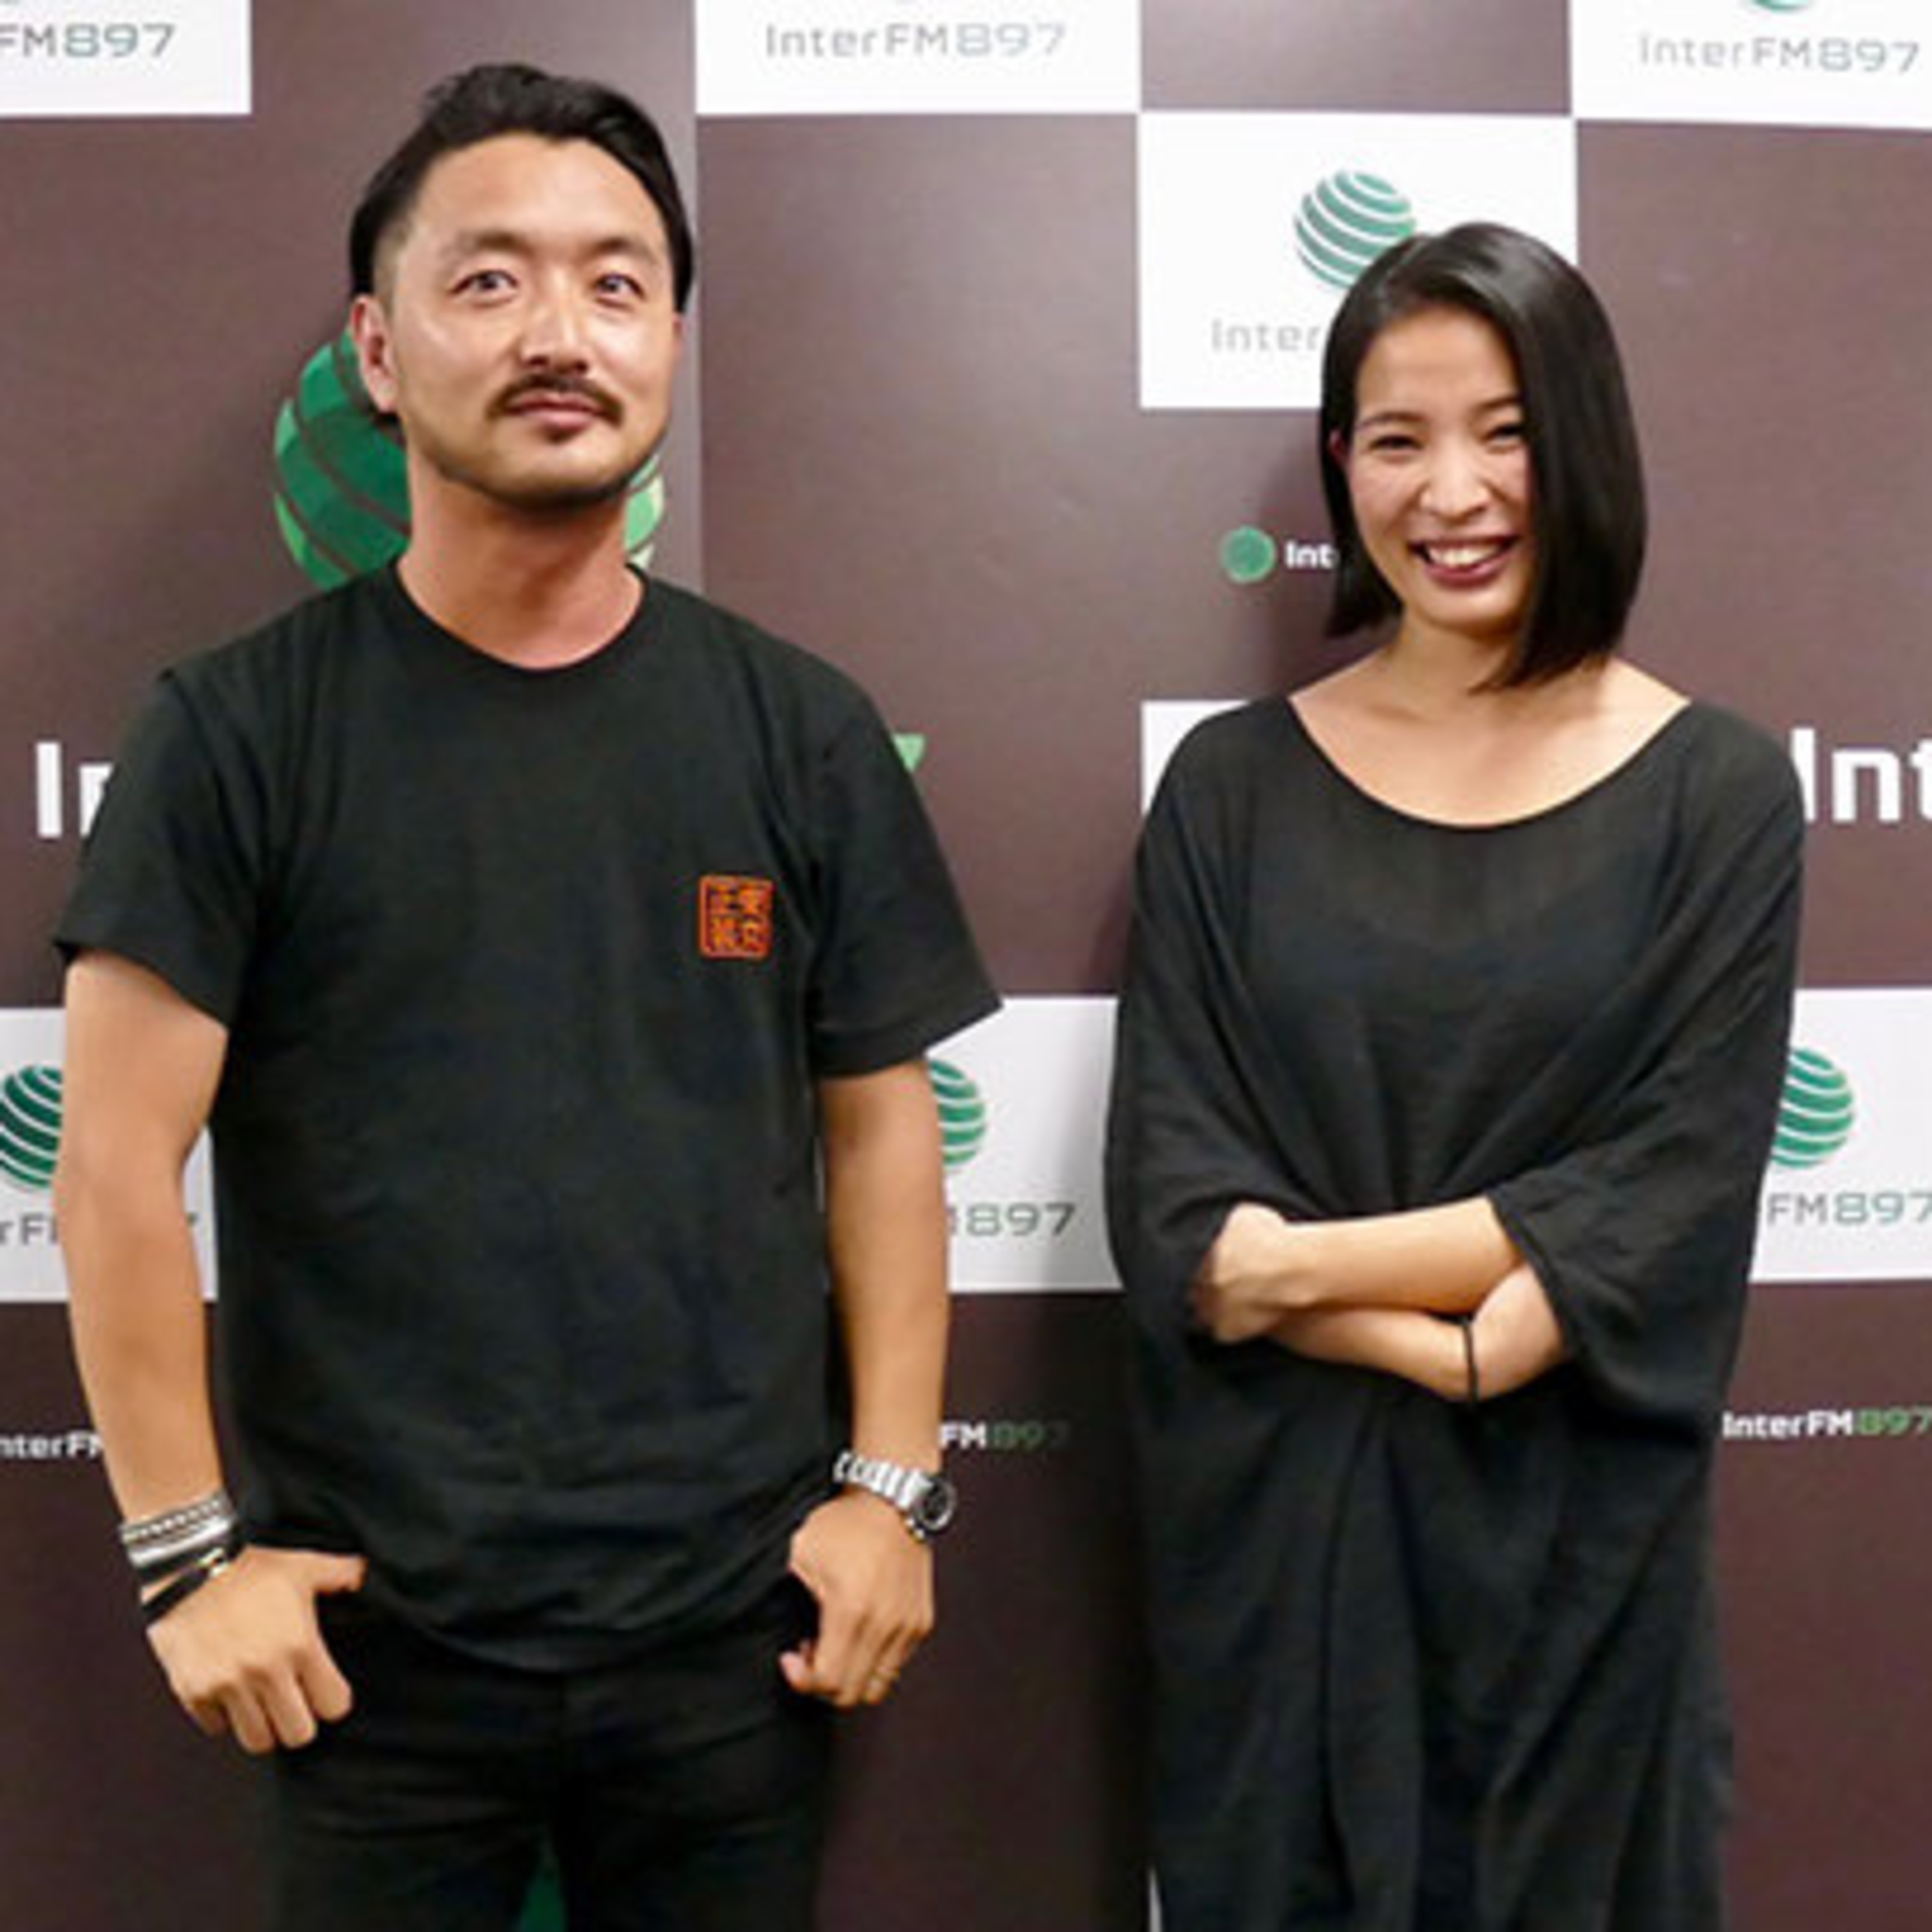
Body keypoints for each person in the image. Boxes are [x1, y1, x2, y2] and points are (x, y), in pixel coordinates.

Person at [55, 63, 997, 1931]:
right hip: (364, 1653)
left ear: (673, 342)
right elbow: (113, 1172)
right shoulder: (235, 735)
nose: (561, 332)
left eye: (617, 282)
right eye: (489, 280)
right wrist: (186, 1560)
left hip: (741, 1642)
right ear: (377, 350)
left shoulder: (800, 732)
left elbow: (886, 1137)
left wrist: (890, 1492)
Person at [1106, 223, 1802, 1929]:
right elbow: (1186, 1221)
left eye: (1505, 432)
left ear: (1585, 444)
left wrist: (1303, 1274)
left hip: (1586, 1590)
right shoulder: (1229, 791)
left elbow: (1666, 1197)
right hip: (1286, 1576)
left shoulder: (1717, 792)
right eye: (1398, 440)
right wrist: (1444, 1338)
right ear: (1342, 466)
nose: (1453, 492)